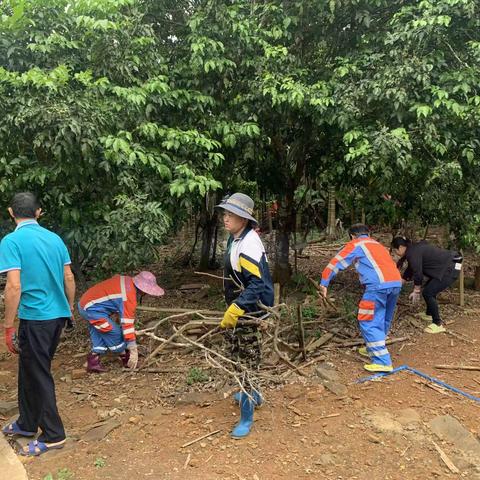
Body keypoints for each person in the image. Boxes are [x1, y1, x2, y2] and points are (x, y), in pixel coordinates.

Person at [0, 192, 75, 457]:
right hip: (56, 317)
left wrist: (8, 326)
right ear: (38, 212)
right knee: (30, 369)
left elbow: (14, 285)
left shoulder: (11, 241)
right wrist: (70, 309)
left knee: (38, 373)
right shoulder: (55, 239)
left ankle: (54, 435)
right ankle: (27, 423)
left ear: (11, 212)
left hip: (36, 319)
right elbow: (68, 277)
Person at [216, 193, 274, 438]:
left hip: (250, 312)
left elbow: (257, 285)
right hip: (240, 309)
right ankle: (253, 395)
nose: (225, 218)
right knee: (237, 356)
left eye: (231, 215)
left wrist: (237, 308)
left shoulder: (249, 243)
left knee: (247, 363)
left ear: (244, 219)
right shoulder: (236, 238)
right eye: (225, 214)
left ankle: (247, 417)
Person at [320, 224, 402, 373]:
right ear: (368, 233)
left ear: (352, 236)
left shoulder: (356, 244)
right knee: (383, 318)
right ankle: (373, 347)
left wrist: (324, 282)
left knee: (368, 320)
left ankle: (382, 361)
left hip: (377, 286)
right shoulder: (378, 245)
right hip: (396, 283)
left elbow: (337, 262)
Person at [78, 271, 164, 372]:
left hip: (85, 304)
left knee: (100, 331)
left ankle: (93, 362)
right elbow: (127, 324)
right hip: (92, 309)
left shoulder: (127, 281)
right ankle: (126, 360)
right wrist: (133, 349)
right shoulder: (129, 296)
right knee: (114, 332)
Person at [391, 237, 463, 334]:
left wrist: (416, 290)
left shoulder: (412, 253)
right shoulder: (413, 250)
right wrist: (401, 281)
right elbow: (411, 269)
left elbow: (418, 273)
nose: (395, 254)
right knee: (429, 290)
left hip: (450, 268)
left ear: (400, 247)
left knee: (428, 293)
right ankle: (429, 314)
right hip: (447, 266)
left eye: (395, 251)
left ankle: (437, 323)